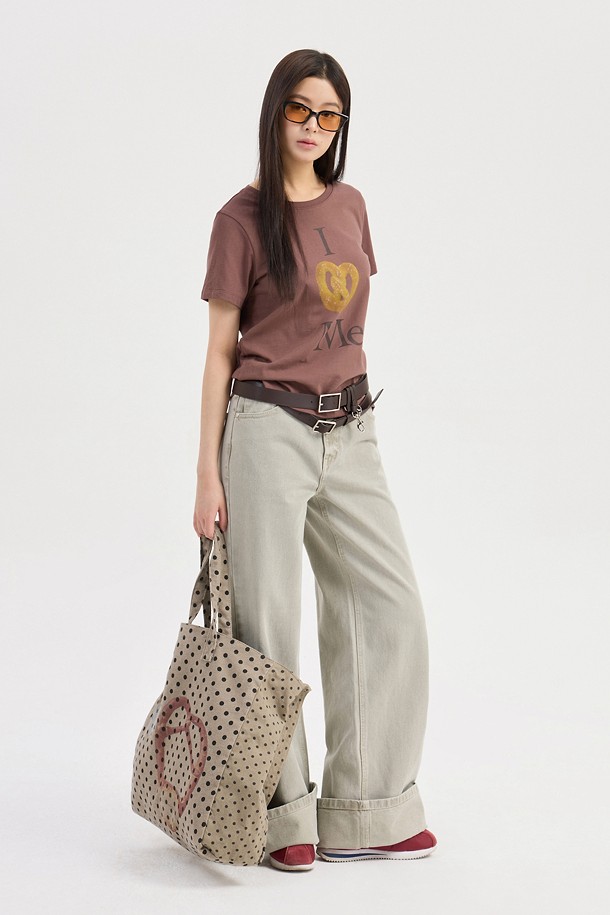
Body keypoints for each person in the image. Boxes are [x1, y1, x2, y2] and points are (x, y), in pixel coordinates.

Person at [194, 48, 437, 872]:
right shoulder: (239, 219)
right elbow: (220, 351)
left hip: (353, 427)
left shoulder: (352, 204)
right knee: (268, 626)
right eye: (300, 109)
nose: (312, 127)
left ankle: (367, 807)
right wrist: (206, 472)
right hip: (267, 427)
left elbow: (344, 319)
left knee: (388, 606)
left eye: (329, 115)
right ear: (275, 112)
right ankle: (281, 817)